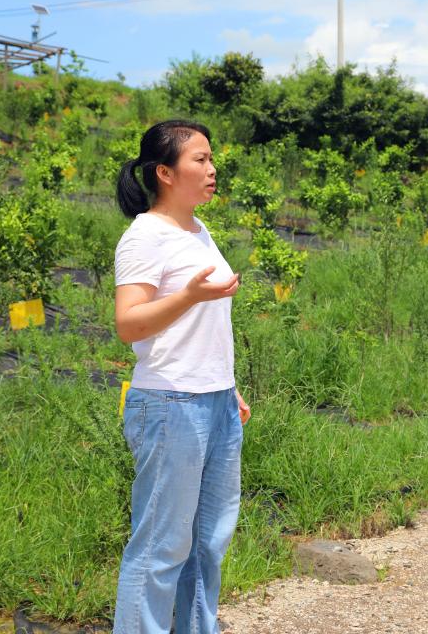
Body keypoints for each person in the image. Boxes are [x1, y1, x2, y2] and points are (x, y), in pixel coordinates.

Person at [112, 119, 251, 634]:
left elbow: (202, 327)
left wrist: (226, 386)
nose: (212, 170)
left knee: (209, 540)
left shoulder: (198, 230)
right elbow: (129, 324)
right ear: (166, 172)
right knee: (161, 546)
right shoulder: (145, 236)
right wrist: (190, 295)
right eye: (201, 160)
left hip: (213, 401)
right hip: (170, 403)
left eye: (212, 159)